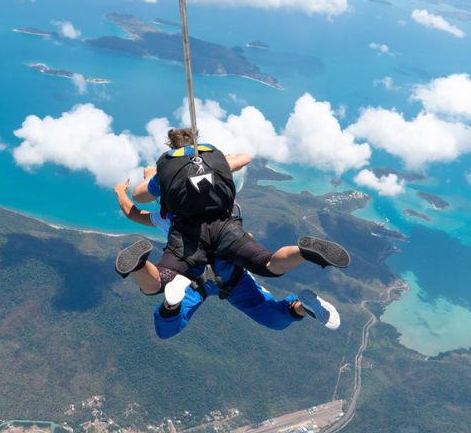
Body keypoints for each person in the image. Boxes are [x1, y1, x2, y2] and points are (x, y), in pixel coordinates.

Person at [115, 127, 350, 309]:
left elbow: (138, 197)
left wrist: (143, 182)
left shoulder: (166, 171)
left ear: (171, 146)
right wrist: (224, 160)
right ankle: (304, 252)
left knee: (157, 283)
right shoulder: (216, 159)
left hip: (187, 235)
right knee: (267, 264)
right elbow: (246, 158)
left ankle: (140, 265)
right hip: (224, 225)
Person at [113, 176, 340, 338]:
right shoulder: (216, 205)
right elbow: (240, 162)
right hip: (230, 272)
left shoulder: (167, 217)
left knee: (165, 326)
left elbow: (131, 212)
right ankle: (303, 261)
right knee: (272, 301)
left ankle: (156, 285)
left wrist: (120, 191)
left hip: (193, 275)